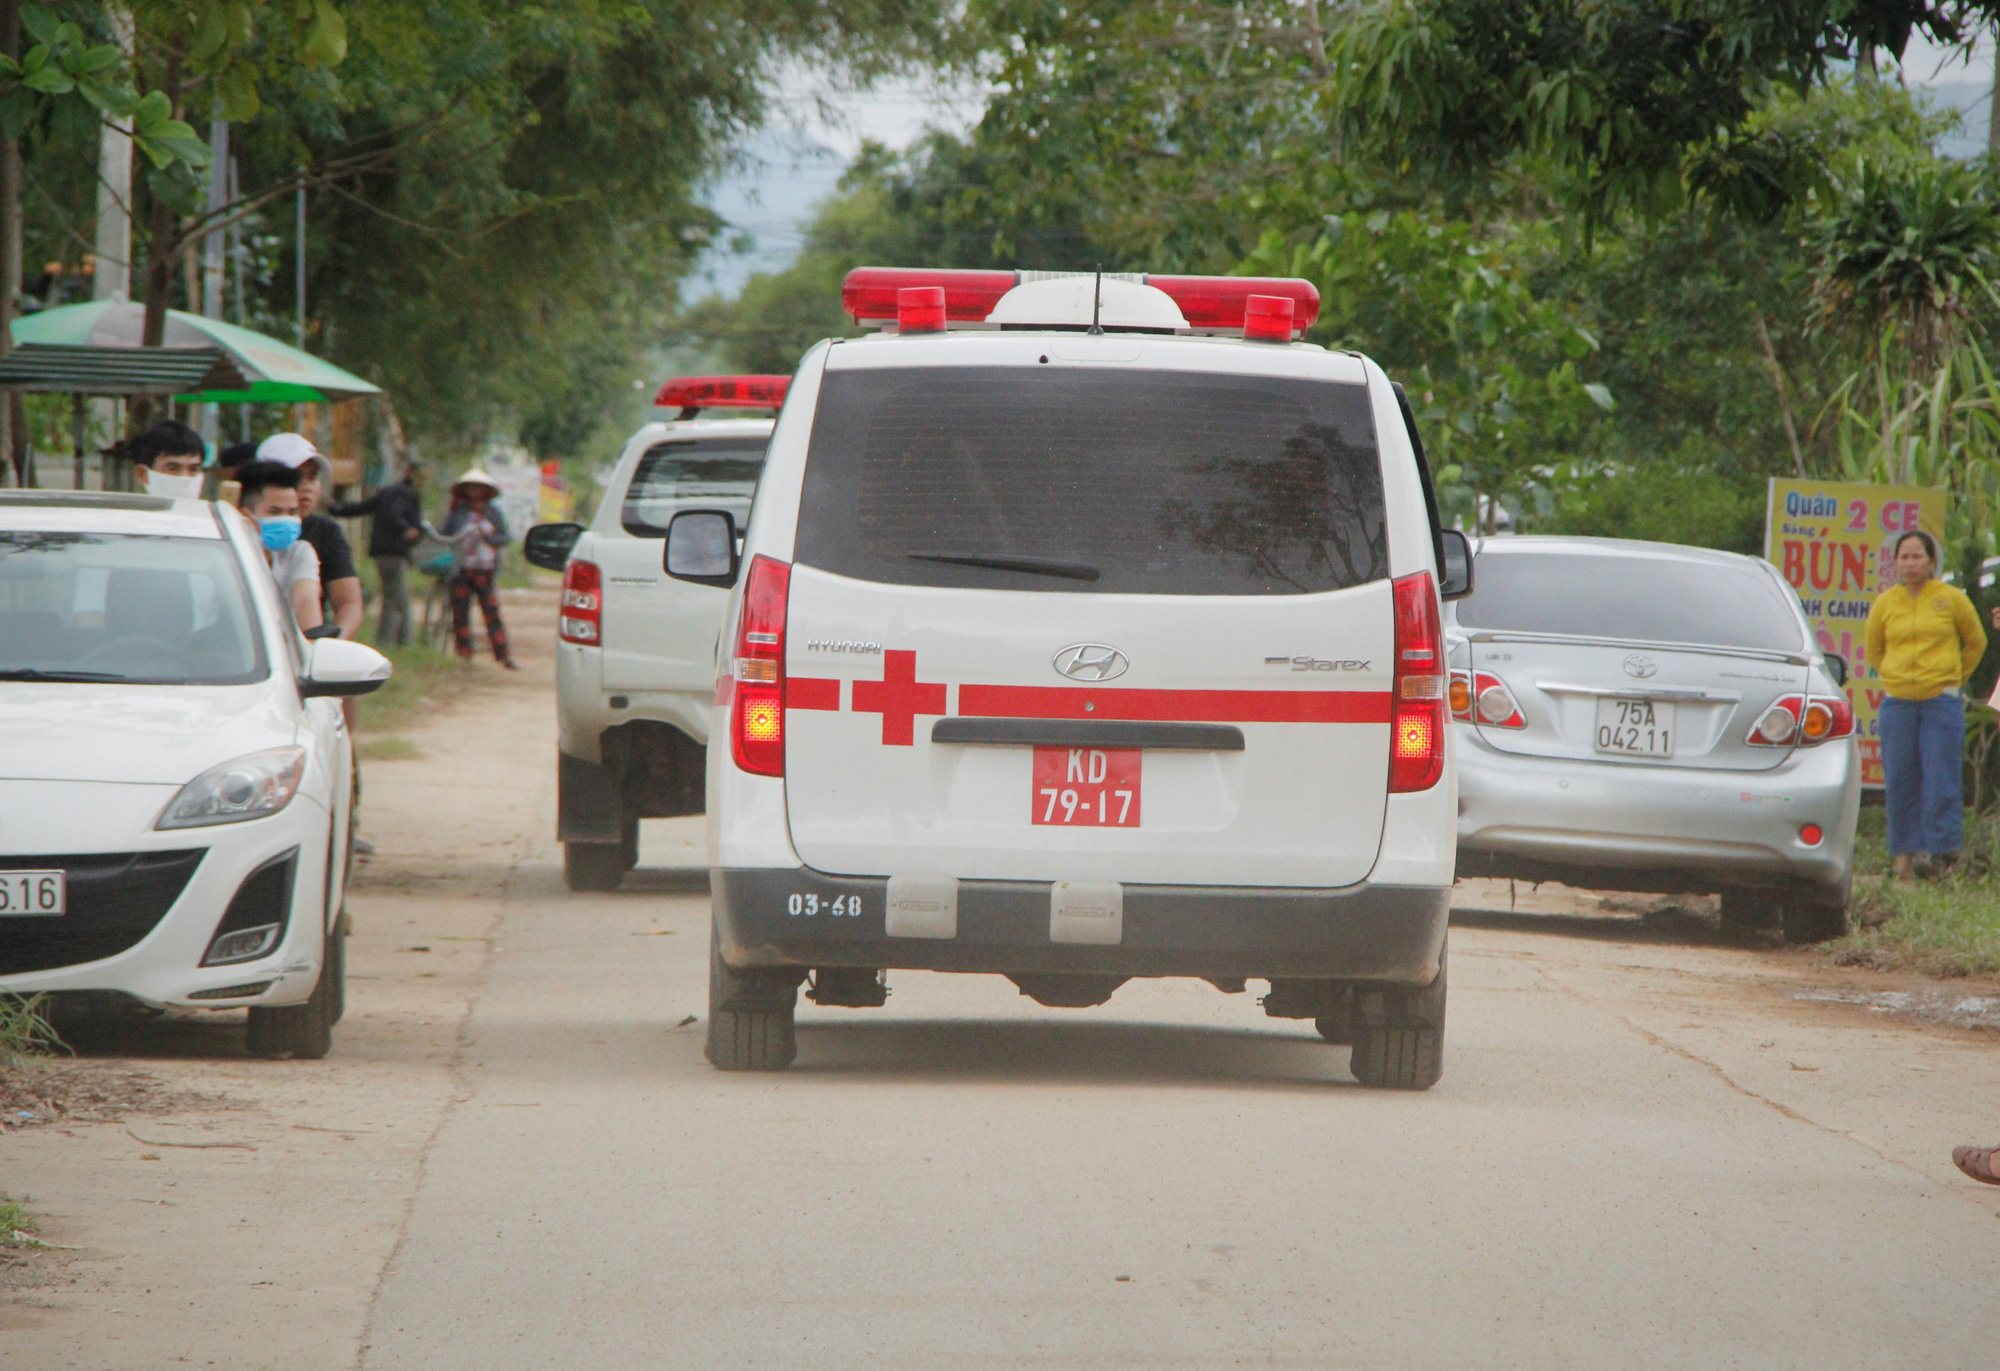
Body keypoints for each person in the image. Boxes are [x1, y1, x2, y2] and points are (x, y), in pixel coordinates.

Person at [1864, 530, 1986, 881]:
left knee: (1941, 780)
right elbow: (1874, 649)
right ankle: (1902, 861)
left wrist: (1952, 677)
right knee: (1901, 782)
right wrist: (1892, 674)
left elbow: (1976, 641)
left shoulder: (1950, 598)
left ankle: (1943, 859)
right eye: (1904, 556)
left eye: (1918, 556)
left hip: (1940, 704)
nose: (1911, 563)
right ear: (1895, 563)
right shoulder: (1886, 602)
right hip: (1898, 704)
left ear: (1932, 561)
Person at [258, 433, 364, 641]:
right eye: (296, 476)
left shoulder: (324, 533)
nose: (306, 486)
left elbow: (349, 604)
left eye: (313, 476)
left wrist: (327, 649)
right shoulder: (236, 527)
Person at [331, 461, 426, 645]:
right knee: (399, 598)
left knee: (392, 597)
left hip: (381, 552)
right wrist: (406, 528)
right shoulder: (404, 493)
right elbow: (394, 513)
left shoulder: (388, 491)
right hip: (394, 551)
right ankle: (403, 641)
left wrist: (336, 509)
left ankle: (390, 640)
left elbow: (362, 507)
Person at [438, 467, 516, 668]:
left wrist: (486, 536)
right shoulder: (457, 513)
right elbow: (445, 535)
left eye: (478, 488)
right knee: (460, 613)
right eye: (471, 488)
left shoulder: (493, 513)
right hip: (461, 569)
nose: (474, 492)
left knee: (491, 613)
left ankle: (503, 654)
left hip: (485, 570)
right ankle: (464, 654)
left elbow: (504, 538)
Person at [235, 460, 322, 631]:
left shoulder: (298, 553)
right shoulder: (228, 555)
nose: (286, 519)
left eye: (292, 512)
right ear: (245, 515)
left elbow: (306, 600)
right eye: (274, 512)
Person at [124, 419, 207, 499]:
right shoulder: (123, 513)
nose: (185, 476)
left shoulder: (211, 512)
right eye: (173, 469)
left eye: (194, 469)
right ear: (142, 474)